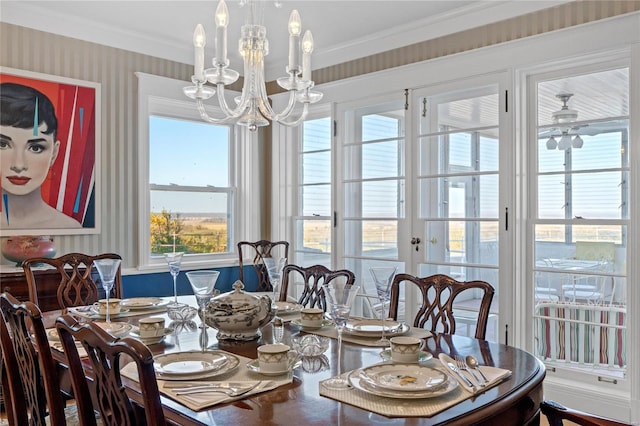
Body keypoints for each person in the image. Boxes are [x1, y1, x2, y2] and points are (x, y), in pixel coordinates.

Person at [1, 82, 82, 229]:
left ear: (54, 153)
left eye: (35, 147)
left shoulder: (68, 226)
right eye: (2, 145)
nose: (19, 165)